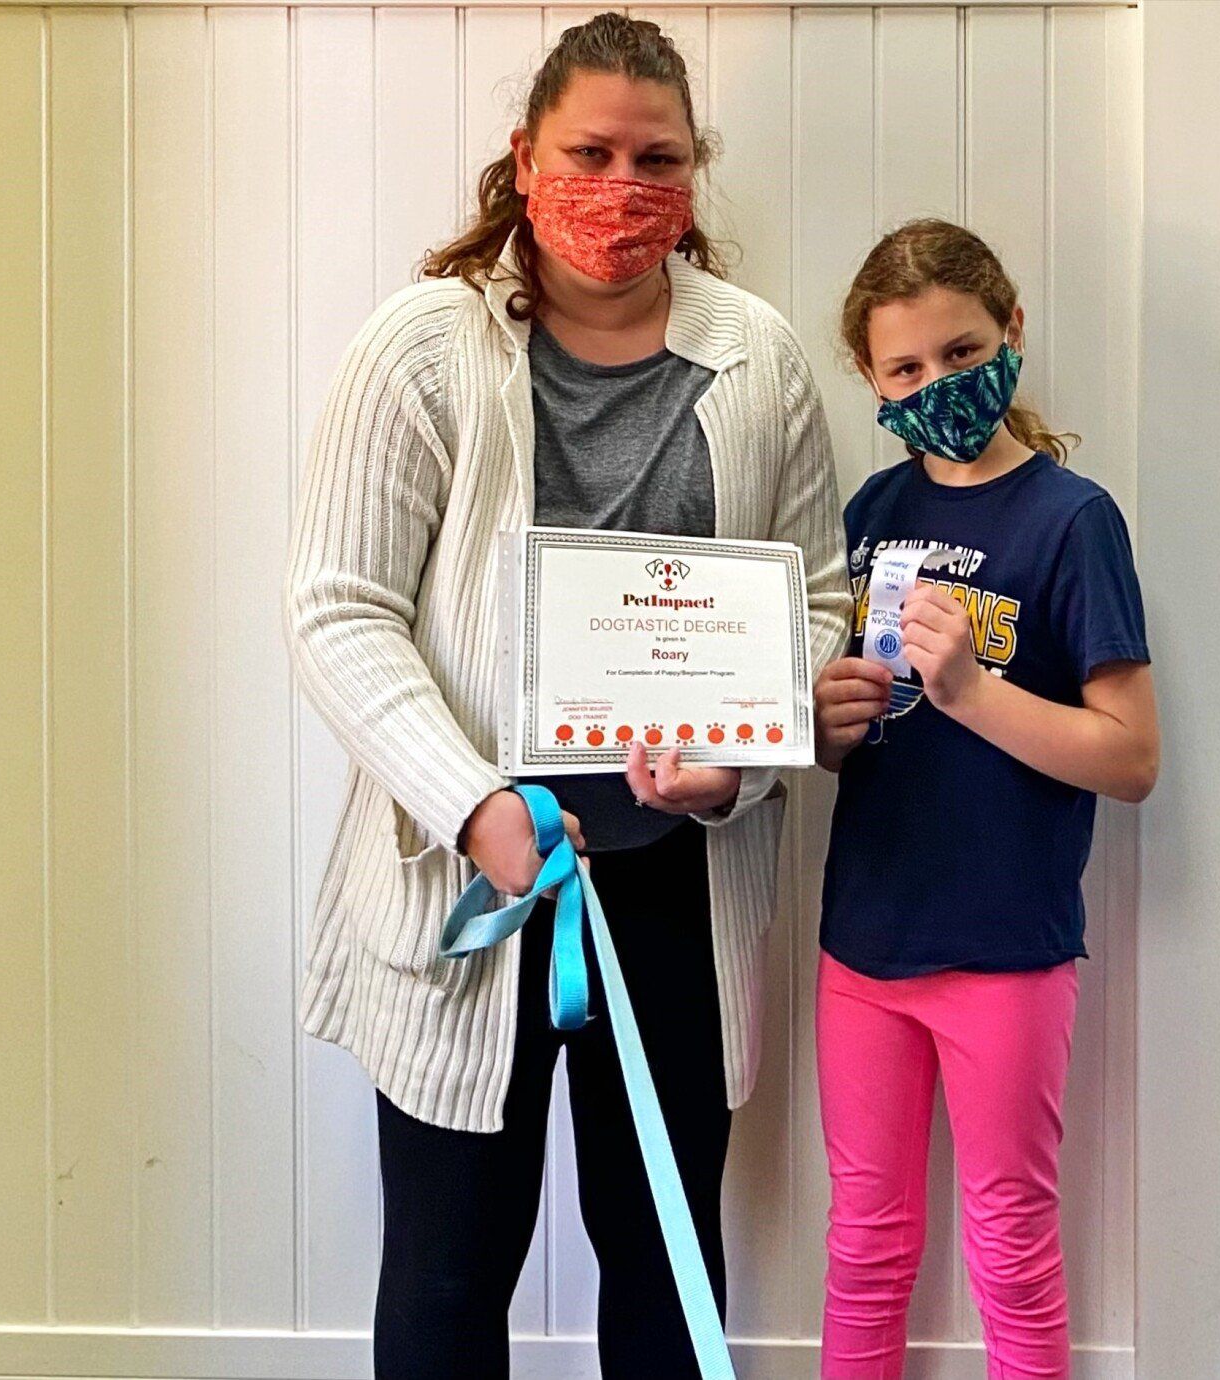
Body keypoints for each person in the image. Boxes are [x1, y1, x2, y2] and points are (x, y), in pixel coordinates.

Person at [282, 13, 849, 1379]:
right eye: (588, 151)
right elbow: (335, 605)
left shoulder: (761, 362)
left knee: (665, 1256)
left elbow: (816, 603)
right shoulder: (422, 350)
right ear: (525, 158)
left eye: (655, 157)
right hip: (469, 884)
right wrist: (472, 802)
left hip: (677, 879)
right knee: (446, 1266)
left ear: (695, 175)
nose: (621, 183)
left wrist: (743, 761)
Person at [809, 219, 1160, 1380]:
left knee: (1011, 1247)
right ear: (871, 380)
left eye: (962, 354)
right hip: (865, 941)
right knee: (864, 1245)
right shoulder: (865, 514)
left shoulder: (1072, 520)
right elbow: (833, 724)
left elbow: (1131, 756)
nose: (937, 386)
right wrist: (820, 725)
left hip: (1007, 949)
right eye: (906, 369)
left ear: (1012, 332)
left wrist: (970, 689)